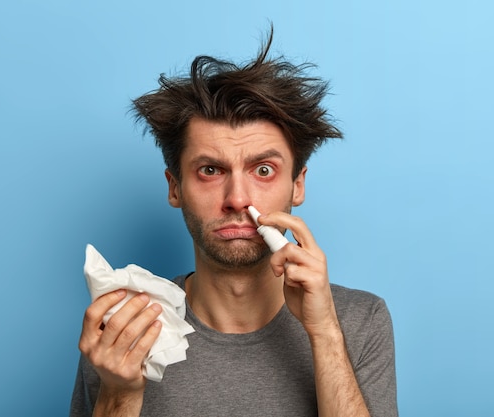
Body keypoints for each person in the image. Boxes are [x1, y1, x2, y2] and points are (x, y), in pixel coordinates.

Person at [70, 28, 397, 417]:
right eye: (210, 170)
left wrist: (325, 333)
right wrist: (120, 392)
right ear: (175, 188)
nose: (237, 199)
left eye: (263, 169)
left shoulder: (361, 321)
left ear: (297, 185)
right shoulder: (124, 325)